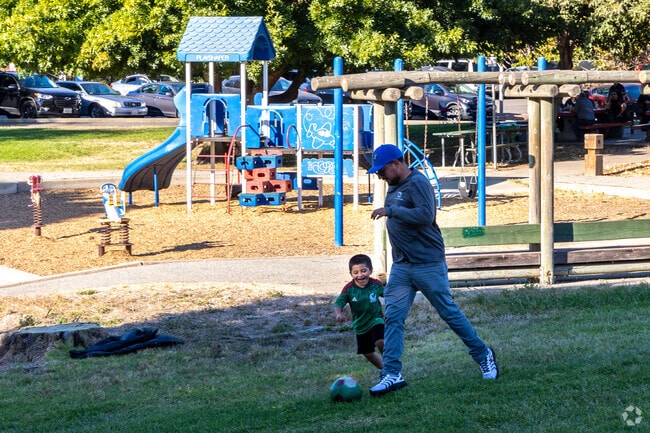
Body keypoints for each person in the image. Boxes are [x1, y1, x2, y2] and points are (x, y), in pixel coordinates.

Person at [366, 144, 498, 397]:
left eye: (381, 170)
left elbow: (426, 216)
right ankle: (392, 373)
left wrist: (391, 211)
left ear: (396, 163)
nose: (379, 176)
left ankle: (483, 355)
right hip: (402, 267)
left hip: (428, 263)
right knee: (393, 317)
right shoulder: (393, 186)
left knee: (448, 312)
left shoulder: (418, 182)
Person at [333, 254, 385, 370]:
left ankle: (391, 367)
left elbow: (389, 294)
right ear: (351, 274)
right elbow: (338, 303)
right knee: (367, 353)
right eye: (355, 272)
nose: (360, 275)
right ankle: (385, 370)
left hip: (376, 319)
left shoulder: (376, 285)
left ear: (370, 270)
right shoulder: (349, 289)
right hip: (360, 325)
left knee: (380, 341)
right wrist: (338, 313)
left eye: (363, 271)